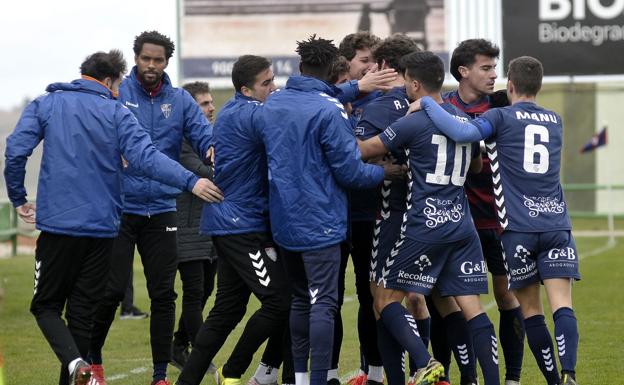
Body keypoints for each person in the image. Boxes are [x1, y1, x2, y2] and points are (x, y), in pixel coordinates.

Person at [3, 50, 220, 385]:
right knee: (80, 314)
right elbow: (148, 158)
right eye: (117, 85)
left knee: (45, 306)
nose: (118, 91)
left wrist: (18, 196)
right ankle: (79, 367)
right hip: (104, 230)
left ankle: (77, 362)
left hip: (59, 227)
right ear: (109, 80)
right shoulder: (116, 113)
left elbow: (17, 150)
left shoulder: (47, 103)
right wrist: (191, 180)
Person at [415, 55, 581, 385]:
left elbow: (458, 131)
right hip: (557, 226)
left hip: (518, 230)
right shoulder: (555, 120)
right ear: (540, 86)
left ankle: (550, 379)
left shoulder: (500, 117)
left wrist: (427, 104)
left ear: (511, 84)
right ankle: (567, 374)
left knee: (531, 311)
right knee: (562, 306)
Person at [255, 35, 403, 385]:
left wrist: (352, 87)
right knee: (324, 302)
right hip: (321, 219)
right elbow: (350, 170)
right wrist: (385, 171)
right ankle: (321, 379)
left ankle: (303, 377)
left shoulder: (274, 104)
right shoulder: (328, 110)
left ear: (301, 66)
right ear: (330, 69)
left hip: (284, 220)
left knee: (300, 301)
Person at [357, 51, 501, 385]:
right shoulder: (462, 119)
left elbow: (364, 150)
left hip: (425, 223)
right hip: (462, 224)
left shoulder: (413, 119)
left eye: (407, 80)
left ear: (416, 83)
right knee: (472, 307)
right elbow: (477, 165)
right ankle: (481, 379)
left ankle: (424, 362)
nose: (404, 86)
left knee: (385, 300)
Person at [88, 31, 217, 385]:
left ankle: (159, 375)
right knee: (111, 291)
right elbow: (97, 133)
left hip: (162, 207)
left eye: (158, 60)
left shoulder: (179, 101)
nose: (151, 65)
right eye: (146, 59)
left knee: (164, 293)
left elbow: (203, 133)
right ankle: (92, 361)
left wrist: (212, 148)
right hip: (120, 207)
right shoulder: (117, 93)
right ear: (136, 58)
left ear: (166, 63)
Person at [176, 55, 291, 385]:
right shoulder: (251, 113)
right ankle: (233, 371)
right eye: (266, 83)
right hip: (241, 226)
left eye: (273, 80)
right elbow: (290, 121)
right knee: (280, 301)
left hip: (229, 223)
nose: (274, 87)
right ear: (246, 89)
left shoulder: (235, 111)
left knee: (227, 310)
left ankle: (188, 380)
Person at [440, 38, 525, 385]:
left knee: (507, 297)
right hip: (460, 225)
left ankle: (513, 378)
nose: (494, 76)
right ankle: (461, 376)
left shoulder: (505, 108)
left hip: (501, 223)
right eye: (486, 68)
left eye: (495, 68)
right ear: (463, 71)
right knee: (452, 301)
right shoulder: (442, 108)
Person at [352, 33, 423, 385]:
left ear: (383, 66)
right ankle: (427, 374)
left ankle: (419, 366)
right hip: (427, 213)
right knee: (425, 300)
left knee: (382, 301)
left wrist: (379, 166)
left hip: (389, 212)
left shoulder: (381, 107)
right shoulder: (428, 105)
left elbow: (353, 151)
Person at [171, 81, 219, 369]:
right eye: (204, 104)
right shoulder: (180, 139)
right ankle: (204, 359)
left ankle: (178, 344)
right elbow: (203, 172)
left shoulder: (211, 137)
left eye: (211, 102)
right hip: (185, 226)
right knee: (193, 290)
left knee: (206, 290)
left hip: (208, 226)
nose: (211, 108)